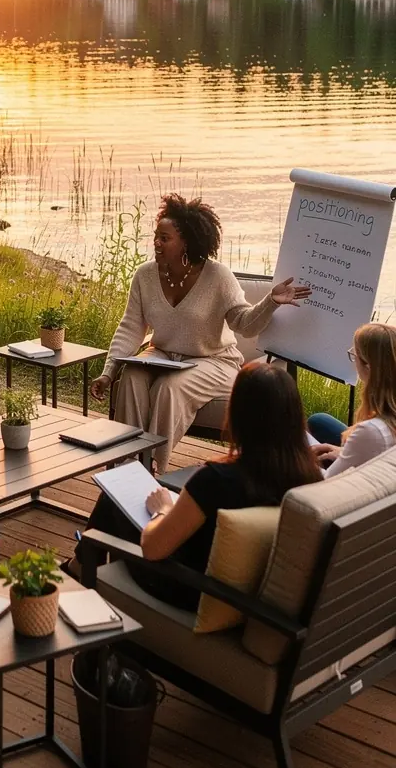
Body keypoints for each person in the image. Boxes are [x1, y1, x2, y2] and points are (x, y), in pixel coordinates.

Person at [89, 194, 310, 472]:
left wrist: (270, 302)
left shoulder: (218, 277)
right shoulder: (145, 275)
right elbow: (130, 327)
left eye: (164, 238)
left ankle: (152, 465)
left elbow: (244, 323)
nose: (156, 243)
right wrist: (109, 372)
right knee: (132, 376)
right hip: (163, 355)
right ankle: (126, 460)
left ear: (187, 242)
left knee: (170, 388)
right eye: (156, 236)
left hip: (215, 361)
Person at [76, 361, 323, 608]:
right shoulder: (309, 475)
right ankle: (77, 566)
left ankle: (79, 572)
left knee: (113, 498)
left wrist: (162, 510)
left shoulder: (217, 479)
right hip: (242, 595)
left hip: (187, 589)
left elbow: (152, 548)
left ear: (237, 414)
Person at [308, 323, 396, 478]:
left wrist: (297, 461)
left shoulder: (371, 431)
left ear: (368, 366)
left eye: (355, 354)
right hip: (379, 459)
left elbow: (327, 483)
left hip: (345, 490)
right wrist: (345, 454)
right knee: (319, 421)